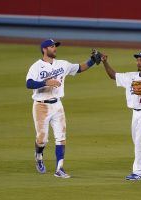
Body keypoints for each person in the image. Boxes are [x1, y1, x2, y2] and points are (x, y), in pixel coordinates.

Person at [26, 39, 99, 178]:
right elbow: (29, 83)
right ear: (44, 49)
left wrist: (92, 60)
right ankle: (39, 155)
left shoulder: (63, 64)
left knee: (61, 137)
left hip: (57, 106)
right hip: (41, 105)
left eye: (55, 46)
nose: (55, 49)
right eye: (52, 46)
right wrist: (45, 82)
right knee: (42, 139)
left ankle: (59, 169)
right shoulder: (36, 66)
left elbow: (79, 68)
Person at [101, 51, 141, 180]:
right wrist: (105, 62)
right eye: (138, 60)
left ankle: (138, 173)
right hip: (135, 113)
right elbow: (113, 76)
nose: (138, 63)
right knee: (138, 142)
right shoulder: (131, 76)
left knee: (140, 142)